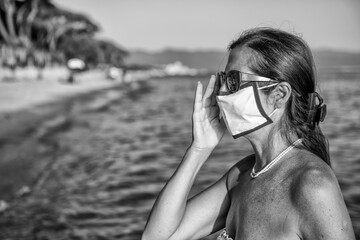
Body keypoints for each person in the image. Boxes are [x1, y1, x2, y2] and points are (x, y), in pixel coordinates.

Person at [142, 28, 356, 240]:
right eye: (223, 79)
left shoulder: (312, 185)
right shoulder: (240, 177)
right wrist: (199, 149)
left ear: (278, 95)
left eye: (233, 80)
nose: (221, 91)